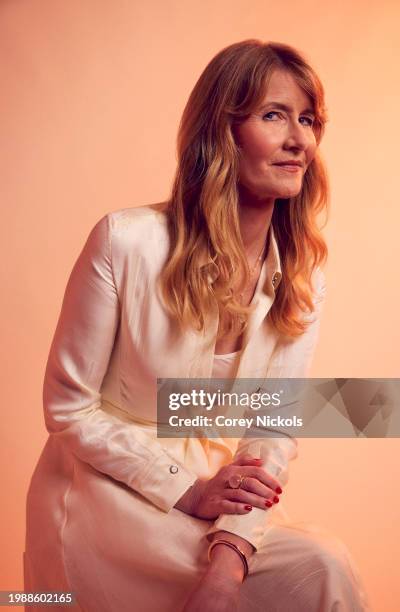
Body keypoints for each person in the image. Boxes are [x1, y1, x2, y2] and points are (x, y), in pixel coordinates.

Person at [24, 39, 371, 611]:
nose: (299, 140)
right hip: (102, 491)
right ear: (222, 131)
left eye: (308, 120)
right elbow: (68, 409)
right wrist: (187, 490)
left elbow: (272, 426)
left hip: (219, 496)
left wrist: (229, 557)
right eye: (273, 115)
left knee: (324, 566)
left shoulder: (303, 273)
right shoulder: (125, 241)